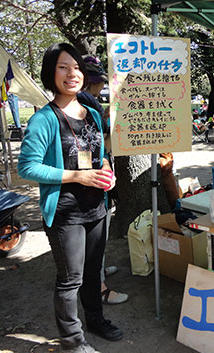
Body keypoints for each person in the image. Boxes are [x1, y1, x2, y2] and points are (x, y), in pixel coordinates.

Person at [18, 43, 123, 353]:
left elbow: (99, 155)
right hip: (66, 214)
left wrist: (106, 172)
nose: (72, 73)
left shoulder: (91, 112)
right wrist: (76, 177)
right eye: (63, 67)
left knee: (93, 274)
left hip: (97, 207)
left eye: (76, 67)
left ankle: (96, 321)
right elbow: (27, 166)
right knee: (70, 280)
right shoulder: (43, 119)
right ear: (51, 73)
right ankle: (72, 343)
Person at [77, 55, 129, 306]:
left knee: (97, 234)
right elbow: (100, 138)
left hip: (94, 172)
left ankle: (96, 273)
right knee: (95, 233)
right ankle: (98, 286)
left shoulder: (84, 100)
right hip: (92, 176)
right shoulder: (86, 101)